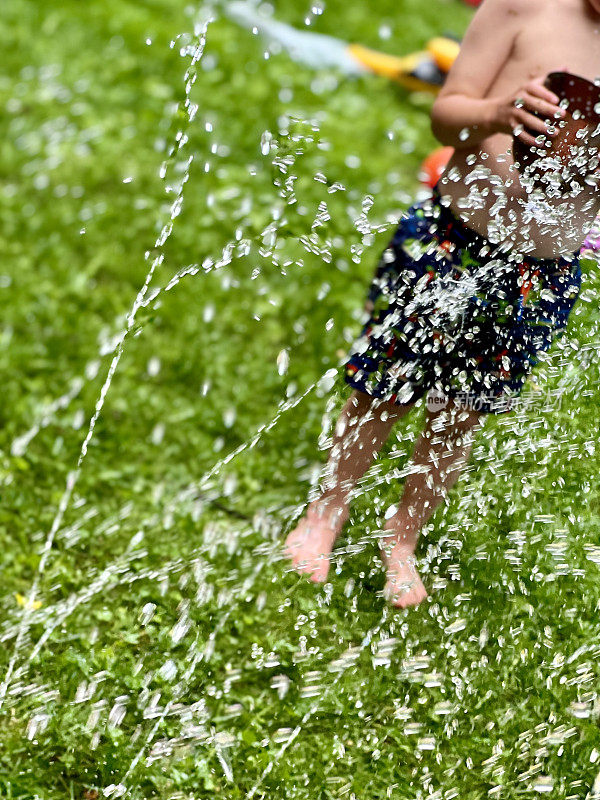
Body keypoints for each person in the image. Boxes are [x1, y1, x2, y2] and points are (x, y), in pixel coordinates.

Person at [284, 0, 600, 608]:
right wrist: (497, 114)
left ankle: (401, 538)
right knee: (385, 385)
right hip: (451, 239)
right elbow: (445, 117)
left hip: (543, 271)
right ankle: (326, 510)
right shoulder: (523, 8)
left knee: (460, 411)